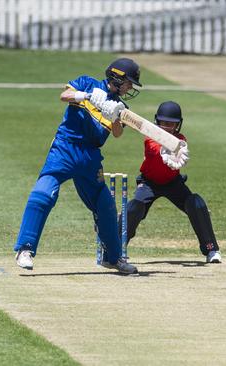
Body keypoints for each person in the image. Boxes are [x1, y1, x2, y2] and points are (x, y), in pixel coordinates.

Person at [13, 58, 141, 274]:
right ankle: (25, 249)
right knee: (44, 194)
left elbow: (117, 134)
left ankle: (113, 258)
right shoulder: (86, 83)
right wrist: (87, 96)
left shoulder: (121, 106)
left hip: (90, 156)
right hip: (65, 148)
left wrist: (116, 116)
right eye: (128, 82)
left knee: (105, 205)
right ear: (116, 78)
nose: (130, 88)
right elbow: (64, 95)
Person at [121, 101, 221, 263]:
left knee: (196, 203)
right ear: (157, 122)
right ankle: (117, 248)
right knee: (135, 206)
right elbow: (154, 147)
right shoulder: (149, 138)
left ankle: (211, 249)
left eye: (172, 124)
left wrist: (177, 149)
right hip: (149, 183)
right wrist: (164, 150)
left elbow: (181, 146)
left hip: (173, 183)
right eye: (164, 123)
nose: (168, 126)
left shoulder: (181, 140)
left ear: (178, 124)